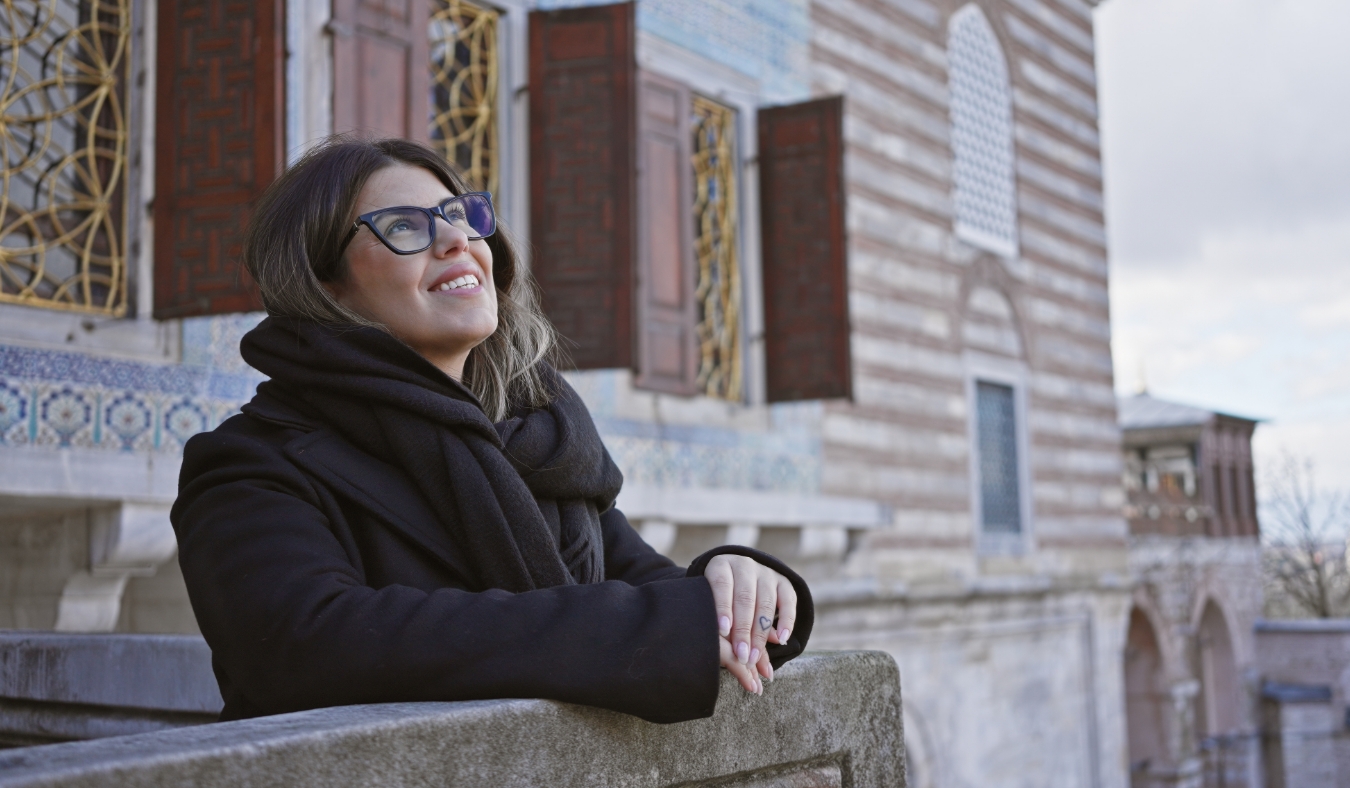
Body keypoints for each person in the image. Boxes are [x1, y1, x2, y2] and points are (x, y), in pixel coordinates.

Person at [171, 137, 813, 724]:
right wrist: (659, 625)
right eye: (403, 227)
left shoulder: (537, 443)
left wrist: (738, 582)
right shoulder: (253, 462)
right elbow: (306, 646)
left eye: (460, 215)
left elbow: (654, 591)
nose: (455, 240)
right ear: (325, 285)